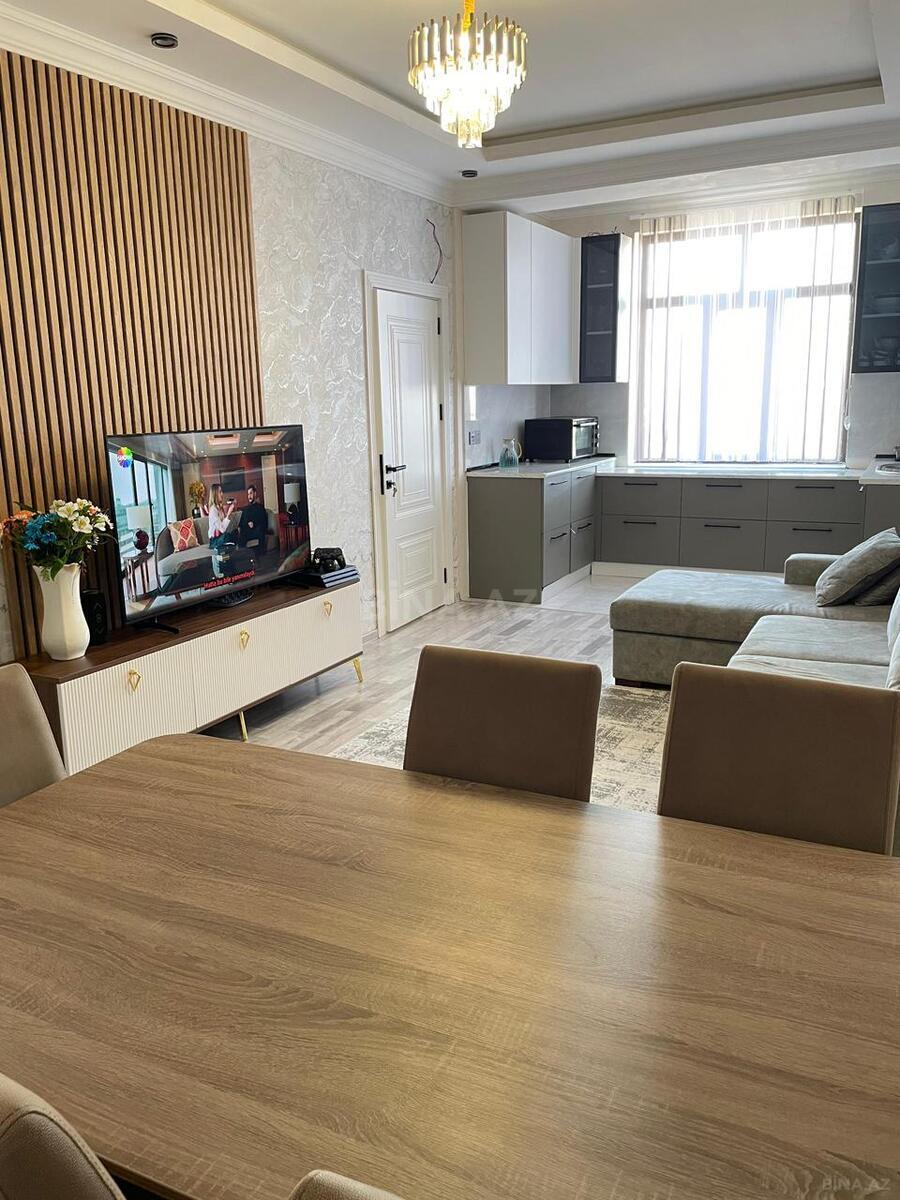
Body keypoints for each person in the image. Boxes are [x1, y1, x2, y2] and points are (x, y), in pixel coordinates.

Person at [203, 483, 235, 553]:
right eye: (220, 492)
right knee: (227, 536)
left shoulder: (219, 508)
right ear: (215, 494)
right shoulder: (213, 510)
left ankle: (230, 547)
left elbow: (223, 526)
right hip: (214, 540)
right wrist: (228, 514)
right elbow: (222, 529)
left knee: (235, 533)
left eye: (222, 491)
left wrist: (227, 513)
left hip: (221, 537)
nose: (222, 494)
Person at [238, 484, 268, 549]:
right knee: (239, 533)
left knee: (260, 530)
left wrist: (254, 524)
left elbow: (264, 523)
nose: (249, 496)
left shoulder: (260, 507)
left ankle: (261, 553)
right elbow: (241, 524)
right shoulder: (245, 509)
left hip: (256, 531)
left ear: (255, 493)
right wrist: (247, 524)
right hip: (247, 533)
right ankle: (241, 553)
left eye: (251, 493)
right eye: (248, 494)